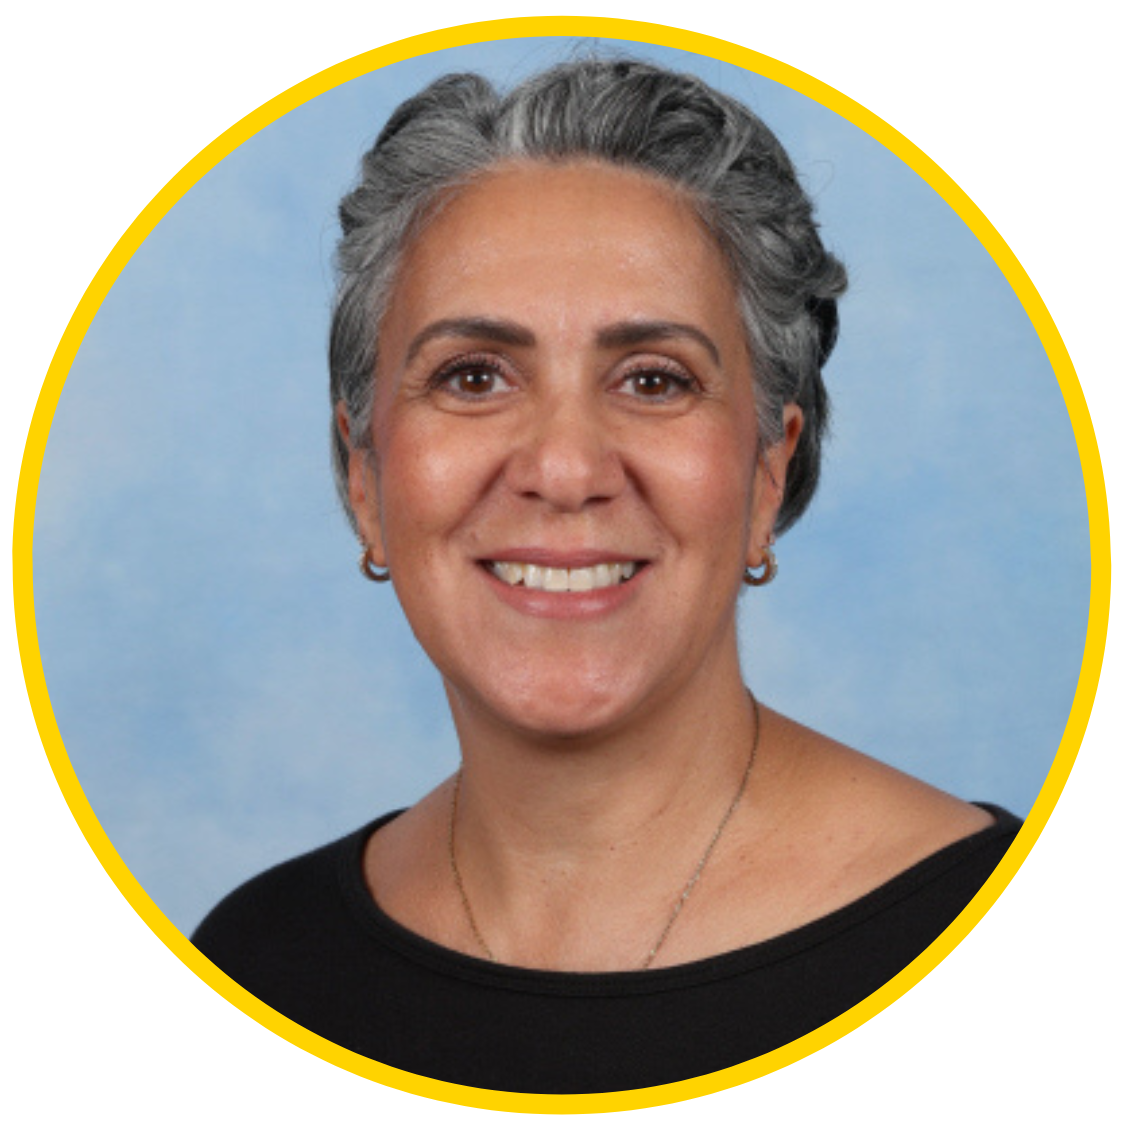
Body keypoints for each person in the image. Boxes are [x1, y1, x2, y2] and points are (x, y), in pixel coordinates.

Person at [193, 58, 1021, 1094]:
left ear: (767, 471)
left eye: (653, 380)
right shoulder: (256, 965)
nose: (565, 469)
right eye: (473, 376)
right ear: (364, 476)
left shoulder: (1010, 948)